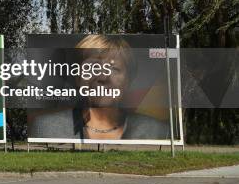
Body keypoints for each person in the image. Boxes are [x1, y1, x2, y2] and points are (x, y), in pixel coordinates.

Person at [31, 35, 169, 140]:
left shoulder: (157, 131)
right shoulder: (46, 127)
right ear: (78, 78)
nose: (103, 77)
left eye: (114, 69)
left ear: (128, 80)